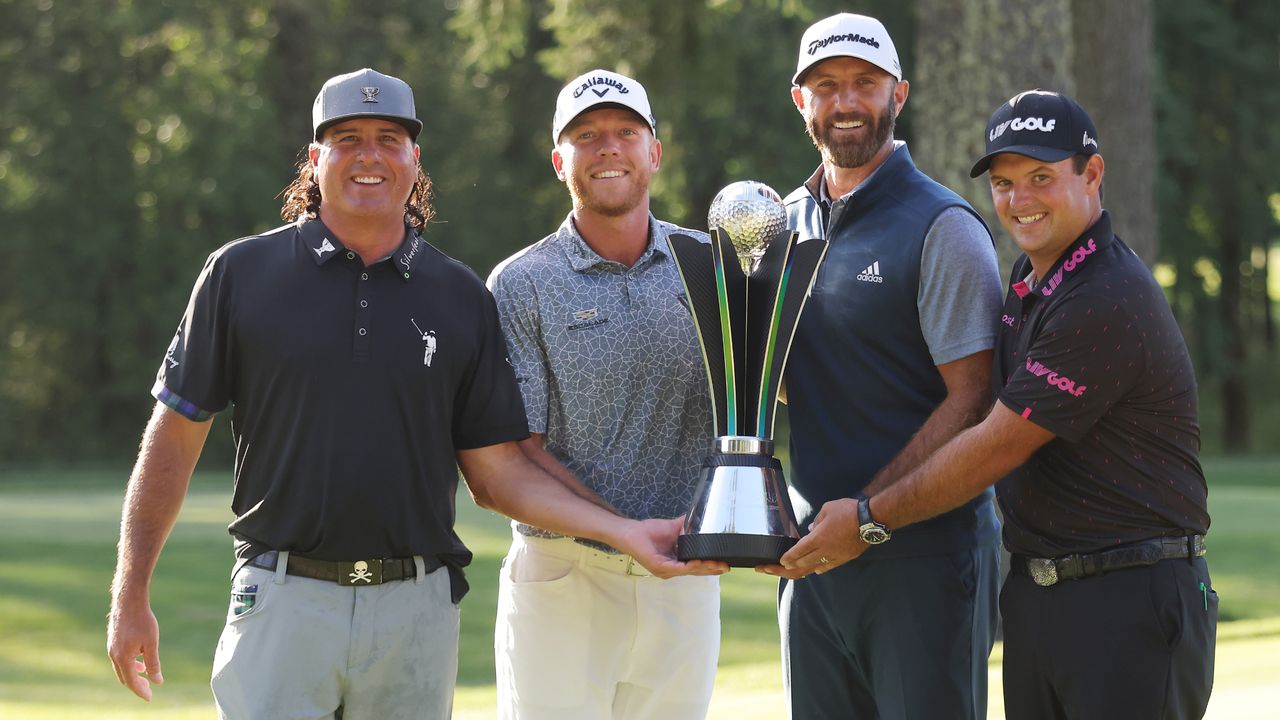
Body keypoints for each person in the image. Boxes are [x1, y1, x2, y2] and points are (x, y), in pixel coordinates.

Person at [105, 68, 718, 720]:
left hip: (417, 607)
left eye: (388, 139)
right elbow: (173, 435)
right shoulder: (240, 274)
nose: (369, 155)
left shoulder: (456, 296)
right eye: (347, 139)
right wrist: (130, 592)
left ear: (413, 159)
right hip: (281, 596)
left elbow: (497, 468)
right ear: (316, 159)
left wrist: (630, 533)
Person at [782, 90, 1216, 719]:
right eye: (1006, 182)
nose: (1020, 200)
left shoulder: (1105, 297)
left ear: (1092, 174)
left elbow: (996, 443)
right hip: (1044, 595)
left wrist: (870, 517)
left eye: (1042, 177)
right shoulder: (1029, 282)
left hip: (1131, 596)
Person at [762, 13, 1005, 720]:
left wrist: (866, 517)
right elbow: (782, 387)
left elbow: (973, 401)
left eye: (865, 84)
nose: (846, 101)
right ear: (799, 99)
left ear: (898, 95)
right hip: (811, 557)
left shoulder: (944, 226)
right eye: (827, 85)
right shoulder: (779, 224)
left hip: (925, 559)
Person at [486, 69, 723, 720]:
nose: (607, 147)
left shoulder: (710, 264)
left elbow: (760, 398)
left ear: (655, 150)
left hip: (685, 576)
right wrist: (624, 533)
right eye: (586, 136)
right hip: (564, 578)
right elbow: (519, 450)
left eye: (625, 131)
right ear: (559, 159)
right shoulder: (521, 283)